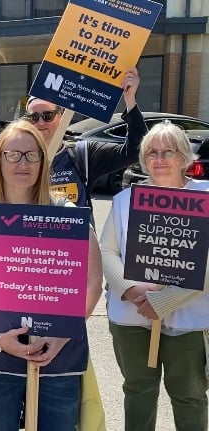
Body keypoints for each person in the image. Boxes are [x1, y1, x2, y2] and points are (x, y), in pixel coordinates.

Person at [0, 120, 103, 431]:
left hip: (57, 359)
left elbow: (91, 283)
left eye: (32, 155)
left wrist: (60, 337)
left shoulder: (67, 212)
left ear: (43, 161)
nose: (23, 163)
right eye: (13, 154)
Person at [100, 121, 209, 431]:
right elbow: (107, 251)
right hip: (132, 315)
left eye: (168, 151)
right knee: (138, 392)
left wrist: (167, 299)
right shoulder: (126, 200)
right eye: (151, 152)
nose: (159, 159)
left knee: (189, 396)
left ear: (186, 156)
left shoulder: (205, 197)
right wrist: (132, 290)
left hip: (188, 316)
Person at [25, 67, 147, 212]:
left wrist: (130, 99)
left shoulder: (82, 154)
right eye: (33, 117)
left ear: (61, 117)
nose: (40, 122)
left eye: (47, 116)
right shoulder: (16, 156)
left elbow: (136, 150)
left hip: (77, 234)